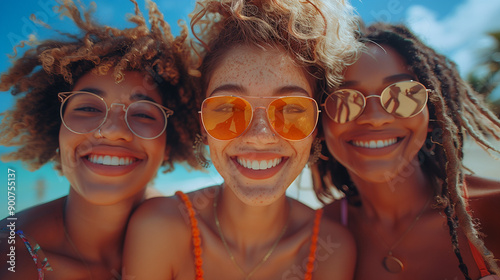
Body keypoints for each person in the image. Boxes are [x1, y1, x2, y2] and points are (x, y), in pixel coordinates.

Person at [122, 0, 362, 279]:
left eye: (291, 109)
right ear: (203, 124)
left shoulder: (332, 249)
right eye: (228, 108)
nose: (260, 136)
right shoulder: (158, 227)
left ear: (316, 126)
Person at [0, 0, 199, 279]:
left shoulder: (195, 236)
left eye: (142, 114)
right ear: (58, 129)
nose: (113, 130)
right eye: (89, 108)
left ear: (170, 141)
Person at [312, 22, 500, 280]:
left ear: (431, 111)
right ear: (319, 122)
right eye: (345, 98)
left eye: (401, 94)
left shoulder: (494, 209)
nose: (376, 118)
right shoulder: (313, 238)